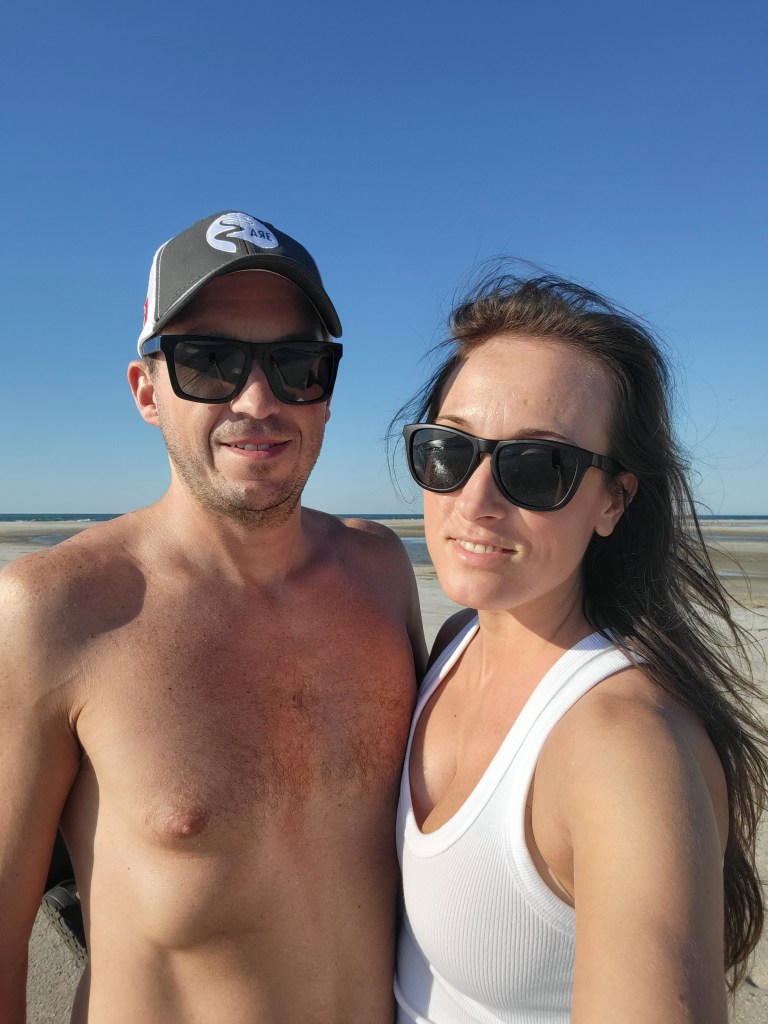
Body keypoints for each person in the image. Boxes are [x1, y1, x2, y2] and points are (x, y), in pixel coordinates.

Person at [0, 210, 426, 1023]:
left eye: (297, 364)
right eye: (208, 361)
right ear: (147, 391)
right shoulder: (55, 610)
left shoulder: (379, 572)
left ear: (328, 394)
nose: (259, 399)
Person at [392, 269, 768, 1023]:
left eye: (539, 467)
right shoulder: (452, 644)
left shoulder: (624, 751)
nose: (474, 501)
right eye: (449, 450)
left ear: (613, 501)